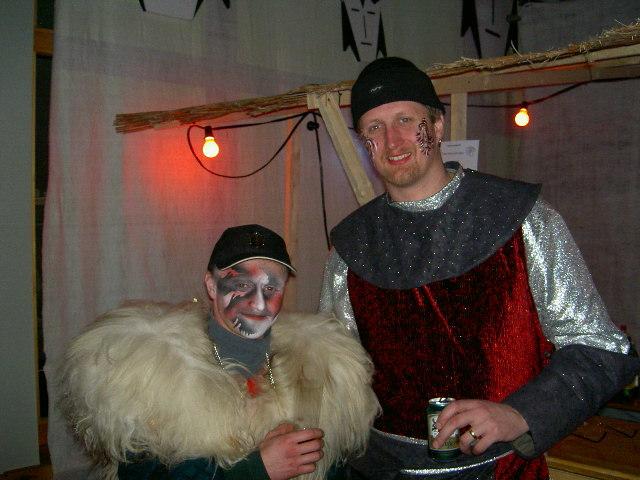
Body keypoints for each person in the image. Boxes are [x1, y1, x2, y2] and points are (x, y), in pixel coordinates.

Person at [319, 57, 640, 479]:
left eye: (405, 120)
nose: (392, 139)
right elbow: (332, 374)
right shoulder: (351, 248)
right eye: (374, 128)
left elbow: (602, 349)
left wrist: (521, 413)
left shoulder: (522, 221)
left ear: (437, 126)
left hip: (499, 469)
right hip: (381, 471)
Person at [59, 224, 379, 479]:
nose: (258, 302)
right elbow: (141, 474)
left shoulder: (323, 366)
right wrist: (256, 470)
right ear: (211, 286)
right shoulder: (150, 370)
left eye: (271, 287)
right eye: (240, 285)